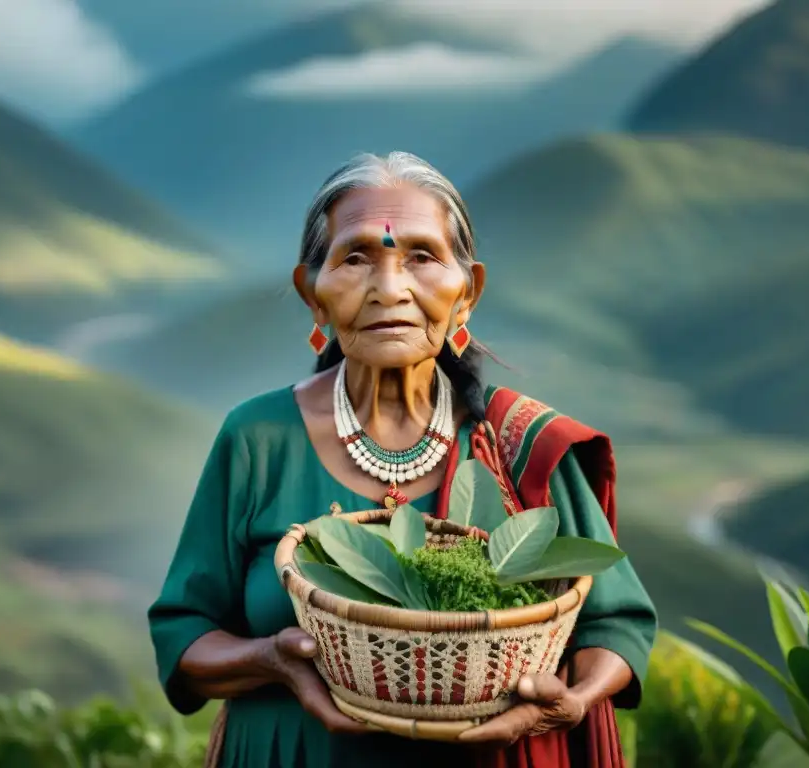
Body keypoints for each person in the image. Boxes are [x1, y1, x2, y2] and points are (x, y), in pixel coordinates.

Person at [148, 151, 658, 768]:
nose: (390, 289)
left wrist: (571, 701)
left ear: (467, 292)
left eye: (421, 256)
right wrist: (273, 660)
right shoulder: (258, 438)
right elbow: (183, 636)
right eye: (356, 257)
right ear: (312, 293)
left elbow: (616, 625)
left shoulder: (524, 444)